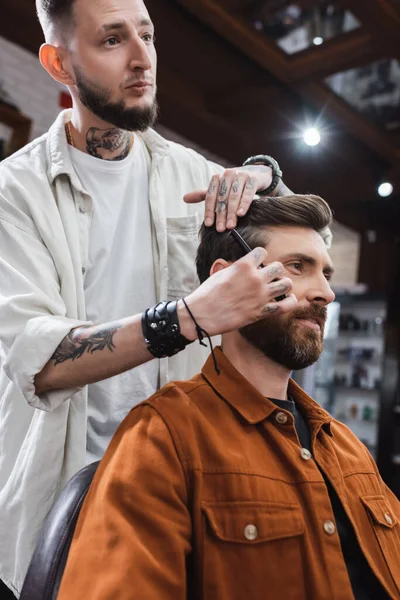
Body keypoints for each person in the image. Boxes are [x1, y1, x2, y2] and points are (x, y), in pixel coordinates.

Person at [0, 0, 325, 596]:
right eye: (113, 40)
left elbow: (310, 243)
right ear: (57, 63)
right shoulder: (12, 195)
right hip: (61, 507)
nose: (142, 58)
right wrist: (188, 318)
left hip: (184, 490)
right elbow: (38, 362)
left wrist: (263, 175)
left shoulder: (187, 175)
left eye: (147, 35)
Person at [58, 194, 400, 600]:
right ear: (225, 280)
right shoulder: (164, 438)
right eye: (298, 266)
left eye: (326, 273)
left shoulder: (347, 449)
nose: (326, 292)